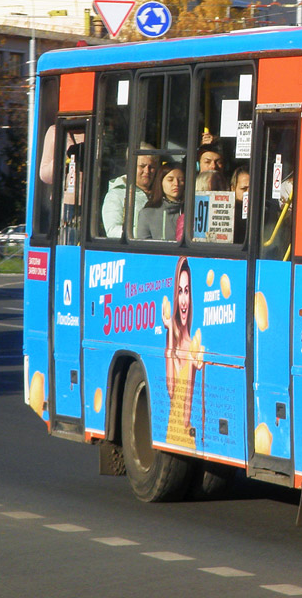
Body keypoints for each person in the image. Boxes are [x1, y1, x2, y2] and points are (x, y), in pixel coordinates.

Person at [164, 256, 203, 450]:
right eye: (179, 292)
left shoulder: (193, 345)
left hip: (185, 436)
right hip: (171, 433)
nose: (183, 299)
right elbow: (171, 389)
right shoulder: (172, 340)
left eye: (187, 291)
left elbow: (186, 416)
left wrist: (192, 360)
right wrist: (171, 330)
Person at [101, 148, 158, 238]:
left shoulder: (160, 193)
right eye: (142, 166)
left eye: (151, 167)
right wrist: (144, 234)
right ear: (131, 167)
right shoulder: (117, 194)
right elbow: (112, 230)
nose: (147, 171)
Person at [136, 162, 184, 240]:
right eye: (170, 180)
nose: (176, 183)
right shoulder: (147, 214)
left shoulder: (191, 212)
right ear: (161, 182)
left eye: (181, 180)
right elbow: (143, 246)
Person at [230, 165, 250, 243]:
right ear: (233, 189)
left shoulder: (265, 212)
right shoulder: (229, 212)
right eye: (243, 189)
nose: (248, 193)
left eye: (251, 189)